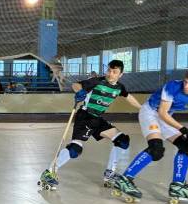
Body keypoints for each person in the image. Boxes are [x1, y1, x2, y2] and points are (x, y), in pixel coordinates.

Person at [113, 65, 188, 202]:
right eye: (185, 81)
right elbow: (162, 112)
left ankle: (177, 186)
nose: (186, 86)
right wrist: (183, 129)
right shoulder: (172, 86)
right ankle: (124, 179)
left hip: (166, 119)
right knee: (156, 149)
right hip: (150, 113)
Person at [39, 59, 141, 190]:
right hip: (85, 117)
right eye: (109, 70)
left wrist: (142, 108)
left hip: (98, 119)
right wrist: (80, 92)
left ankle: (110, 173)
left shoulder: (119, 88)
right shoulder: (97, 81)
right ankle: (49, 172)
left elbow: (128, 97)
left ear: (120, 74)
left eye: (114, 72)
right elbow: (76, 85)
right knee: (75, 149)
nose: (110, 74)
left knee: (122, 141)